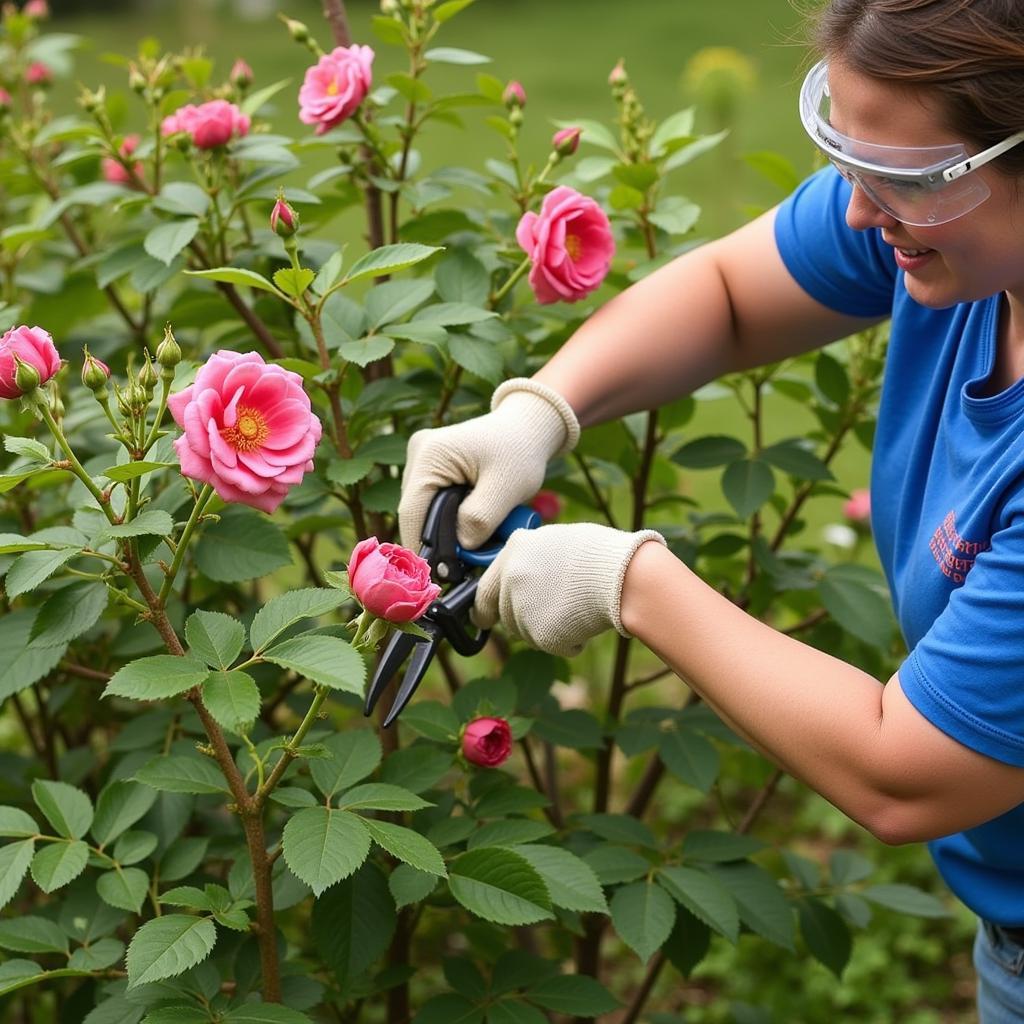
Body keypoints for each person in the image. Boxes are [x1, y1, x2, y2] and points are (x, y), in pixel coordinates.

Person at [397, 0, 1024, 1017]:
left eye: (900, 179)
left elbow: (911, 773)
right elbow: (730, 291)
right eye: (848, 155)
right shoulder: (954, 232)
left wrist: (625, 581)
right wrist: (542, 409)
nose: (860, 212)